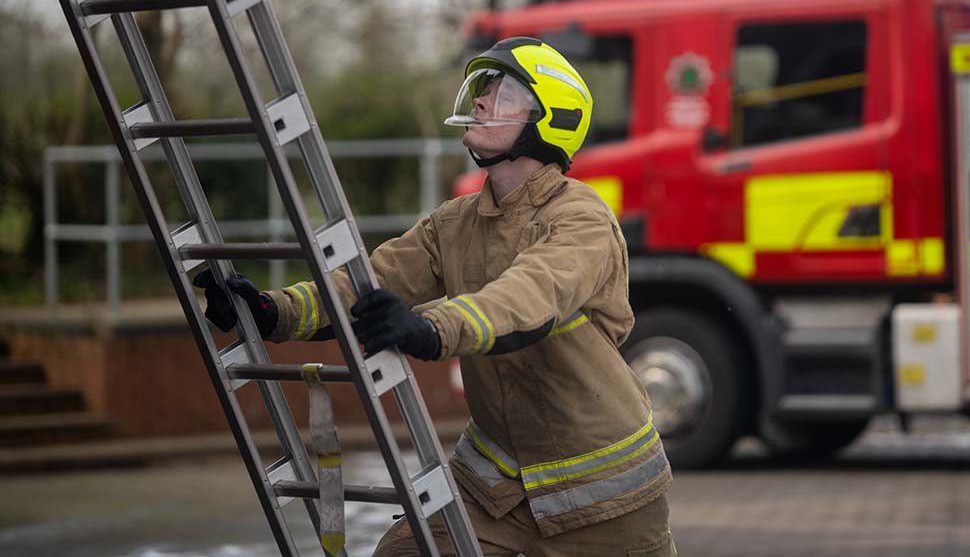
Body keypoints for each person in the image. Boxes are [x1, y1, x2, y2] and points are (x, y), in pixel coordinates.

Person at [196, 37, 677, 556]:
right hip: (492, 490)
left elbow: (530, 295)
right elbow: (369, 280)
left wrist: (431, 329)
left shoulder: (581, 218)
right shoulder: (456, 222)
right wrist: (271, 312)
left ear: (548, 119)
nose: (482, 100)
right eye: (484, 88)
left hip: (605, 501)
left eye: (504, 92)